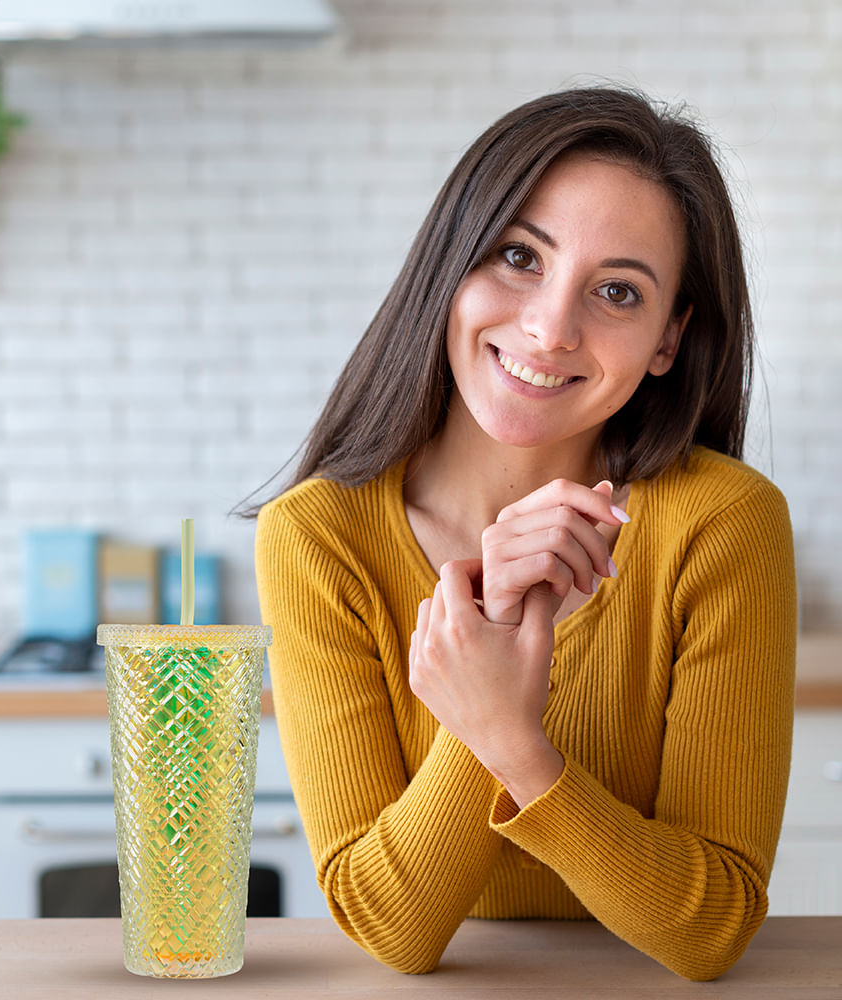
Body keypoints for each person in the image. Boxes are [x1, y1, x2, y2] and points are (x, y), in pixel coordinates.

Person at [251, 86, 796, 982]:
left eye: (618, 291)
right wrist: (488, 663)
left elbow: (712, 930)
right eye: (518, 256)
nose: (549, 328)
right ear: (451, 266)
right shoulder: (319, 537)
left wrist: (509, 736)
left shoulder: (724, 527)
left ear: (669, 338)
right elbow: (392, 931)